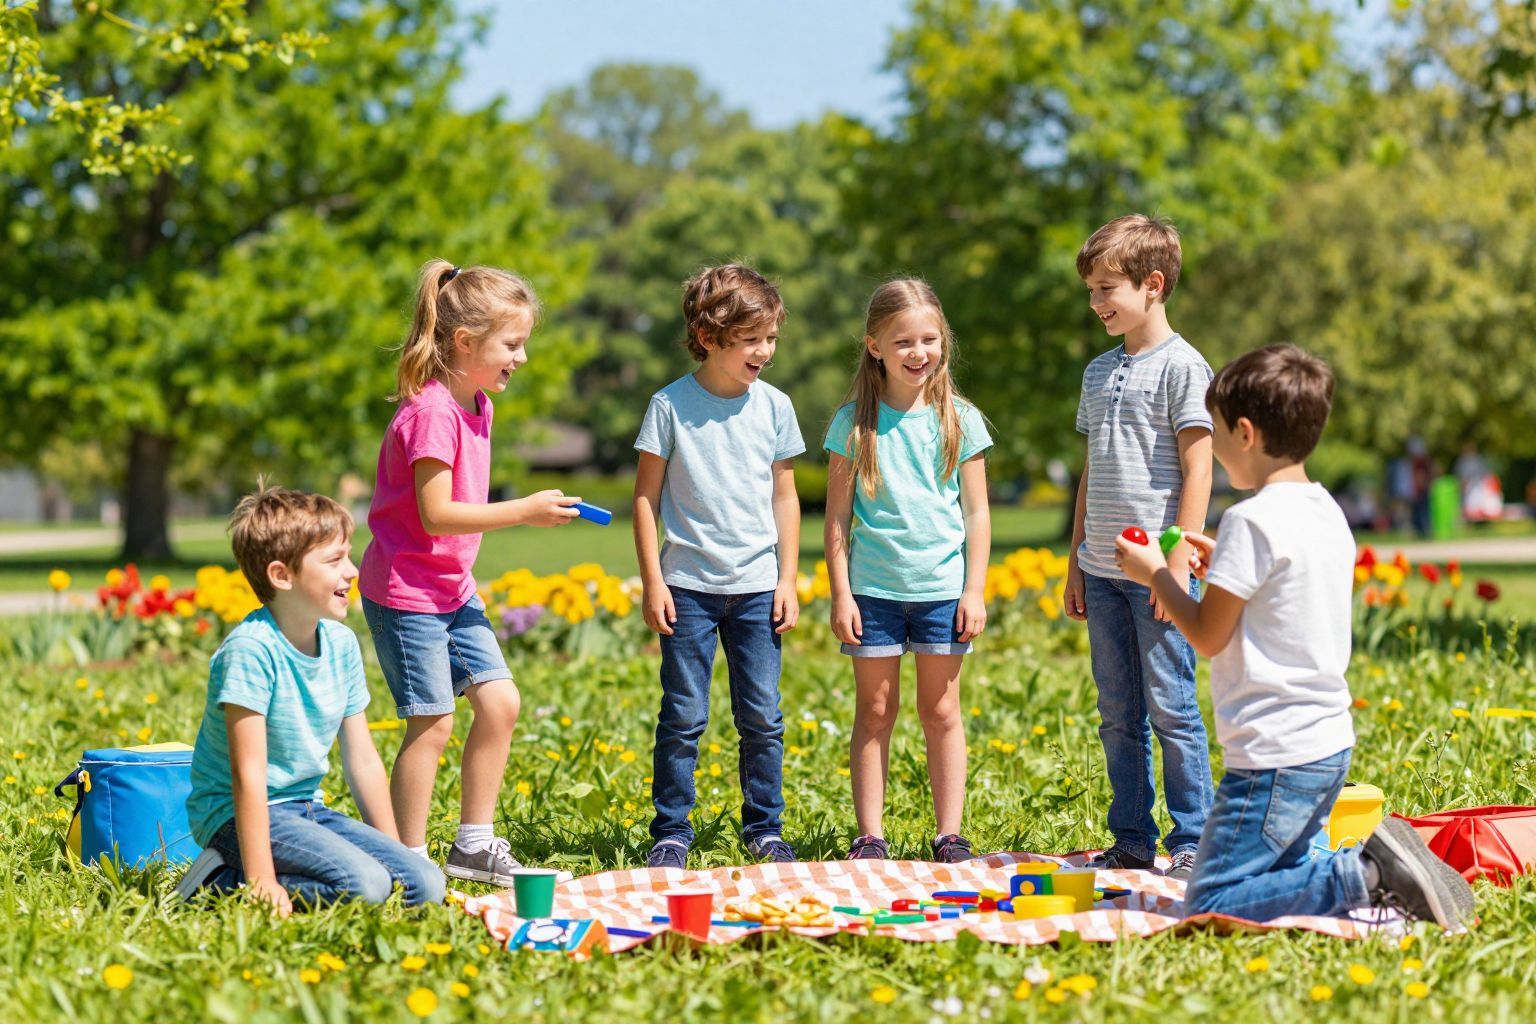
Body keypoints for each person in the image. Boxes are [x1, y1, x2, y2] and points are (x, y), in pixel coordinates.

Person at [1115, 344, 1474, 928]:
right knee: (1284, 868)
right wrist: (1226, 566)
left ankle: (1368, 874)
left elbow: (1207, 635)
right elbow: (1284, 592)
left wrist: (1154, 573)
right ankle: (1387, 864)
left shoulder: (1250, 520)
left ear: (1246, 433)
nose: (1213, 446)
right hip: (1327, 744)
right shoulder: (1325, 509)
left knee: (1211, 899)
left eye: (1217, 432)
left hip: (1273, 758)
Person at [359, 259, 580, 884]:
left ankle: (473, 846)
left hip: (451, 593)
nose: (522, 358)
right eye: (511, 344)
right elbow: (436, 515)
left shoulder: (477, 404)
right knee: (432, 722)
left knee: (501, 703)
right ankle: (408, 861)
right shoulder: (431, 412)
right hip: (407, 595)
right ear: (464, 341)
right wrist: (525, 511)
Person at [178, 484, 444, 913]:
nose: (352, 571)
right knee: (366, 886)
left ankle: (291, 879)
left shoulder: (341, 643)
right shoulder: (250, 651)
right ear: (282, 576)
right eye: (335, 560)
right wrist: (261, 881)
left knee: (425, 884)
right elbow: (248, 774)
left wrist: (396, 856)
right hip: (233, 815)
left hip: (304, 808)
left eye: (349, 556)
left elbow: (363, 761)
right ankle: (219, 883)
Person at [633, 264, 804, 869]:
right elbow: (645, 498)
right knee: (683, 715)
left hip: (758, 588)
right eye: (752, 339)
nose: (766, 351)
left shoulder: (776, 406)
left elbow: (786, 496)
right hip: (687, 588)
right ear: (708, 337)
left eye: (772, 337)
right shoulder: (669, 405)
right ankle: (671, 831)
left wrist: (787, 578)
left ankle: (764, 828)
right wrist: (653, 580)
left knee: (762, 717)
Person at [1064, 214, 1215, 879]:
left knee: (1173, 709)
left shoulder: (1184, 367)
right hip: (1101, 573)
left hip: (1159, 575)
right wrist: (1076, 560)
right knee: (1118, 714)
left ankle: (1194, 839)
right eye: (1092, 291)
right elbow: (1091, 471)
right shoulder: (1098, 372)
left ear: (1152, 285)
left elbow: (1199, 469)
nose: (1096, 303)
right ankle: (1130, 838)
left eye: (1107, 289)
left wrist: (1174, 564)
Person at [825, 279, 992, 863]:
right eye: (903, 342)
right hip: (872, 592)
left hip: (942, 591)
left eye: (929, 339)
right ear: (875, 346)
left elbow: (977, 513)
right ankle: (870, 836)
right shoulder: (853, 423)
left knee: (941, 711)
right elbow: (837, 518)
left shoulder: (961, 420)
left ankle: (950, 833)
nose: (918, 352)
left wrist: (974, 589)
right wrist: (841, 593)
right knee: (874, 712)